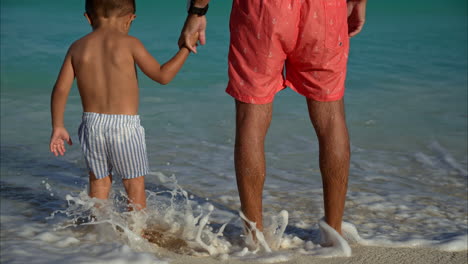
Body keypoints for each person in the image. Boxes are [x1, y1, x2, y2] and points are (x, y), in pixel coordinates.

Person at [179, 0, 367, 236]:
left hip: (263, 11)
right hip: (325, 10)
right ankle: (334, 234)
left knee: (251, 119)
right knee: (331, 118)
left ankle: (255, 238)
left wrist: (197, 11)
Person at [49, 0, 198, 211]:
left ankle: (99, 233)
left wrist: (58, 126)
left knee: (99, 182)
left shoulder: (77, 47)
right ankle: (136, 232)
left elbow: (60, 89)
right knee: (133, 184)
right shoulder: (131, 43)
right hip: (124, 128)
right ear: (131, 19)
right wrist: (185, 48)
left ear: (88, 17)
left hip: (91, 125)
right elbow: (163, 76)